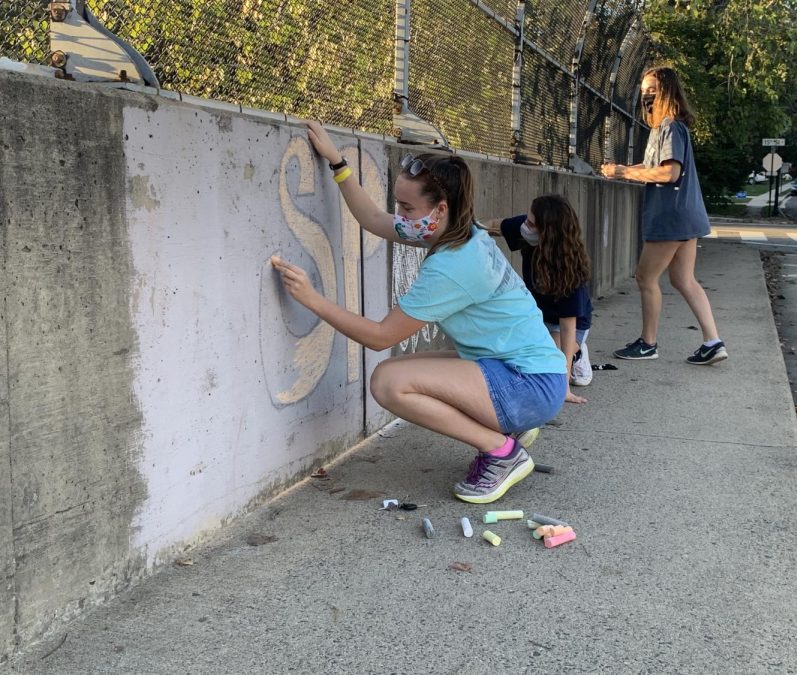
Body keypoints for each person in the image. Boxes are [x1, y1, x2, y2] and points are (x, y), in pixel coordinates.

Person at [271, 121, 567, 504]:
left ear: (440, 208)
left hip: (530, 385)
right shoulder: (457, 230)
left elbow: (380, 336)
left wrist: (314, 300)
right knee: (401, 371)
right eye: (399, 205)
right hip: (526, 372)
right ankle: (509, 430)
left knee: (389, 383)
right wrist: (338, 163)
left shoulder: (455, 265)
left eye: (407, 208)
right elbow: (374, 220)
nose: (400, 214)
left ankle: (501, 451)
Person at [600, 66, 727, 365]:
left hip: (671, 217)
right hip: (686, 216)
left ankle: (648, 343)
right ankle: (713, 341)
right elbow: (652, 168)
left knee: (645, 276)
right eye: (644, 90)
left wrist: (622, 173)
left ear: (666, 92)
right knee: (684, 279)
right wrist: (624, 170)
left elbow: (670, 173)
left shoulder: (669, 127)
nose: (646, 95)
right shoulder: (668, 128)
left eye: (651, 90)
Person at [484, 194, 594, 404]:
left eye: (531, 223)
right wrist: (468, 230)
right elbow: (492, 226)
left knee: (545, 354)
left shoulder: (569, 269)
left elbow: (568, 327)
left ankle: (577, 356)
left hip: (570, 325)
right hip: (536, 315)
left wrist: (564, 388)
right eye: (527, 219)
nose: (525, 225)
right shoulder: (528, 229)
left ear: (548, 232)